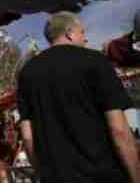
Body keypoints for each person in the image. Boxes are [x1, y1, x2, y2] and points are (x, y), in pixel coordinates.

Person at [17, 11, 139, 183]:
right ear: (69, 33)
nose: (86, 39)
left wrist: (41, 174)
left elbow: (28, 136)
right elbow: (119, 131)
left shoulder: (26, 73)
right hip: (104, 176)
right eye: (82, 32)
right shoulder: (96, 61)